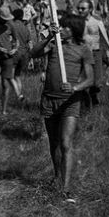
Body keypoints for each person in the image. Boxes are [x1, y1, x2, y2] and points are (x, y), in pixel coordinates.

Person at [30, 16, 93, 202]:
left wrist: (75, 88)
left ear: (73, 30)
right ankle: (57, 176)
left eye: (65, 27)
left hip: (70, 102)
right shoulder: (54, 45)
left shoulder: (83, 50)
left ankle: (65, 190)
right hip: (49, 99)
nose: (61, 29)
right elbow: (33, 53)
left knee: (66, 143)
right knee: (54, 143)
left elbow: (90, 79)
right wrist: (49, 36)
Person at [77, 0, 109, 107]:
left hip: (96, 53)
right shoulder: (77, 21)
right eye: (79, 8)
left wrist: (108, 55)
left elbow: (104, 38)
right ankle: (86, 103)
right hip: (82, 55)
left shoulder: (97, 20)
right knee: (83, 80)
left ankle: (93, 95)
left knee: (97, 83)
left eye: (83, 8)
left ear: (90, 9)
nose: (80, 10)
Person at [10, 8, 32, 105]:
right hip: (25, 54)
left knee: (9, 76)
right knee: (17, 76)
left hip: (15, 53)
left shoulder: (12, 26)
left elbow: (9, 38)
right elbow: (30, 43)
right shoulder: (25, 28)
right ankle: (19, 96)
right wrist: (30, 58)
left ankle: (19, 95)